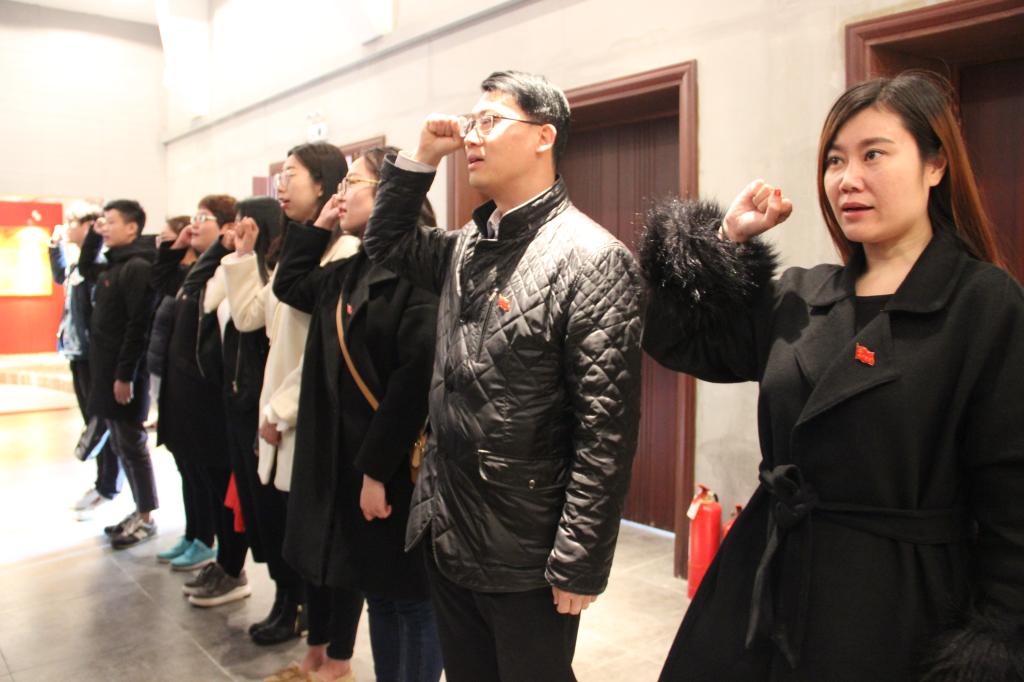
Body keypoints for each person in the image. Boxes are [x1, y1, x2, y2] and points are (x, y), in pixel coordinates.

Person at [640, 71, 1024, 681]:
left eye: (874, 154)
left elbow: (1011, 495)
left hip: (896, 605)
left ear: (935, 165)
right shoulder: (802, 295)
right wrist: (723, 243)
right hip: (764, 581)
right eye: (835, 160)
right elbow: (674, 340)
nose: (847, 179)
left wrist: (998, 634)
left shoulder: (983, 302)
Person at [363, 71, 645, 682]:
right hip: (449, 526)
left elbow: (606, 432)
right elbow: (385, 243)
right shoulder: (469, 243)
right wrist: (421, 158)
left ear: (544, 136)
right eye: (472, 122)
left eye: (490, 121)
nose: (473, 136)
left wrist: (579, 560)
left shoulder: (592, 259)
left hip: (527, 548)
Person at [276, 146, 442, 682]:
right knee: (380, 593)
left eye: (352, 184)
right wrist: (318, 228)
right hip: (354, 463)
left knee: (412, 598)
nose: (340, 195)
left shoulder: (421, 270)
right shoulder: (350, 268)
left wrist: (375, 472)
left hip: (395, 468)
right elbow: (290, 285)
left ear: (391, 194)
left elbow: (412, 384)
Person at [220, 142, 363, 655]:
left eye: (291, 175)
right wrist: (242, 258)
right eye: (279, 176)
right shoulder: (295, 252)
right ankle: (301, 623)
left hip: (308, 416)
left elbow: (330, 352)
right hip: (281, 415)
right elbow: (250, 318)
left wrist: (280, 410)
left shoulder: (344, 252)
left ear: (324, 185)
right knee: (292, 533)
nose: (280, 186)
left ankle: (327, 650)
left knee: (321, 541)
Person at [152, 195, 254, 607]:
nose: (194, 224)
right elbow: (172, 285)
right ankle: (209, 549)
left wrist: (223, 250)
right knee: (201, 480)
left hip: (215, 398)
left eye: (204, 218)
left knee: (223, 489)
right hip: (189, 395)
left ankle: (231, 565)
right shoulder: (203, 268)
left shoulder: (234, 269)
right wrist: (180, 246)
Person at [77, 199, 160, 549]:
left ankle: (146, 517)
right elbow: (86, 267)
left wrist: (125, 375)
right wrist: (94, 237)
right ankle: (138, 510)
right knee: (121, 444)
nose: (105, 227)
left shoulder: (137, 267)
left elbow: (138, 325)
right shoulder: (115, 264)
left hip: (124, 376)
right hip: (107, 371)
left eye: (111, 222)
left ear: (132, 227)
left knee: (132, 444)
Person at [49, 204, 124, 518]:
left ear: (91, 225)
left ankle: (108, 485)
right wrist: (54, 247)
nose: (67, 226)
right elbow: (60, 276)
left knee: (103, 423)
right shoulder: (79, 264)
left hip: (96, 356)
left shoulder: (99, 264)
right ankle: (102, 482)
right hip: (78, 353)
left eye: (73, 221)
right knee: (92, 422)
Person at [145, 215, 193, 432]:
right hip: (160, 363)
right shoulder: (174, 275)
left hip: (176, 368)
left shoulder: (190, 275)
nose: (162, 245)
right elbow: (158, 279)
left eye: (166, 239)